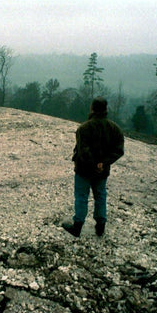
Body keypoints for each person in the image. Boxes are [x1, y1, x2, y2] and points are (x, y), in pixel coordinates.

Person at [62, 97, 125, 237]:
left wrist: (94, 164)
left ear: (92, 108)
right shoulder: (115, 129)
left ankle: (77, 227)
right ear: (106, 109)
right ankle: (100, 227)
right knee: (101, 197)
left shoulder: (83, 128)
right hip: (102, 171)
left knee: (81, 197)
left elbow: (83, 151)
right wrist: (103, 163)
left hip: (83, 170)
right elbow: (119, 150)